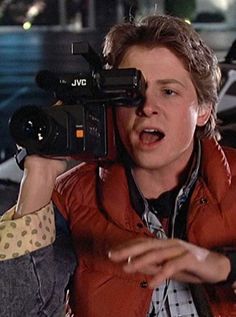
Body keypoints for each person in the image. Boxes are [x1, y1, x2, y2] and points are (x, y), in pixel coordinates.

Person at [1, 14, 236, 317]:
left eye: (168, 91)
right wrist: (40, 175)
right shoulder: (71, 199)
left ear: (203, 110)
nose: (147, 107)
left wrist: (224, 266)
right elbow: (15, 309)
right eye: (131, 93)